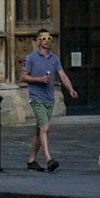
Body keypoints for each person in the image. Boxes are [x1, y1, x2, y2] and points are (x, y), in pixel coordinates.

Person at [19, 29, 77, 172]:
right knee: (45, 128)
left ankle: (32, 160)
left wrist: (70, 89)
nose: (47, 41)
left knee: (39, 130)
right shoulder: (31, 58)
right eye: (44, 38)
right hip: (36, 98)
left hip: (49, 99)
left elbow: (62, 75)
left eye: (49, 38)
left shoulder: (54, 59)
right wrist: (39, 79)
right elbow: (23, 77)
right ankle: (49, 159)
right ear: (38, 41)